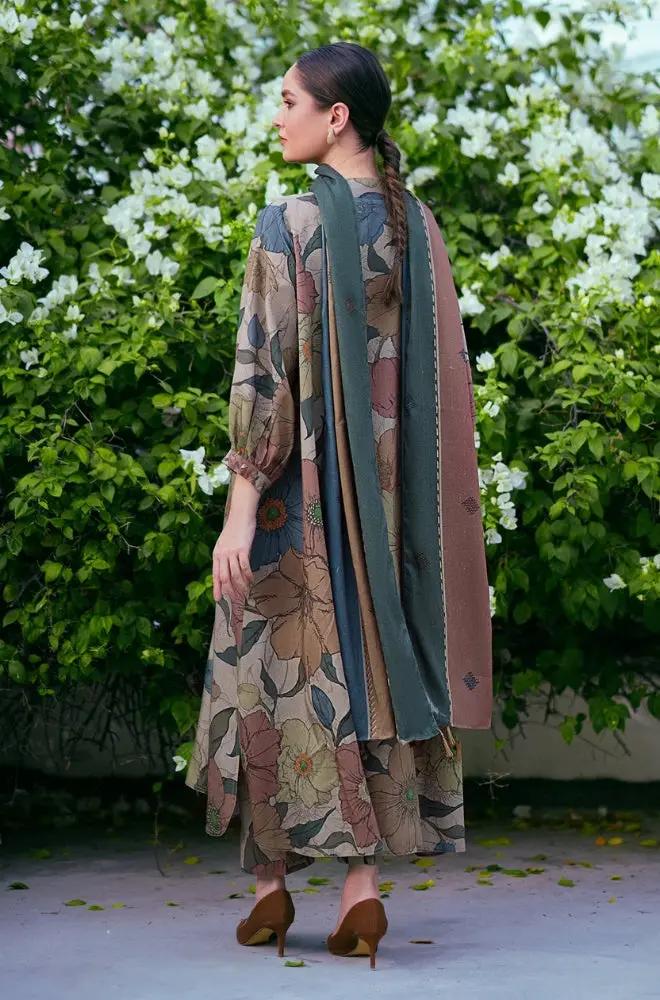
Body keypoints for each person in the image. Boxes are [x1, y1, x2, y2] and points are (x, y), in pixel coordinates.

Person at [185, 41, 492, 969]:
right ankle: (361, 893)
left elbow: (264, 376)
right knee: (367, 667)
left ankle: (271, 889)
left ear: (336, 116)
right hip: (389, 514)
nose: (277, 116)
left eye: (289, 101)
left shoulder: (289, 223)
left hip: (296, 503)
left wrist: (239, 510)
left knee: (272, 673)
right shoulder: (414, 226)